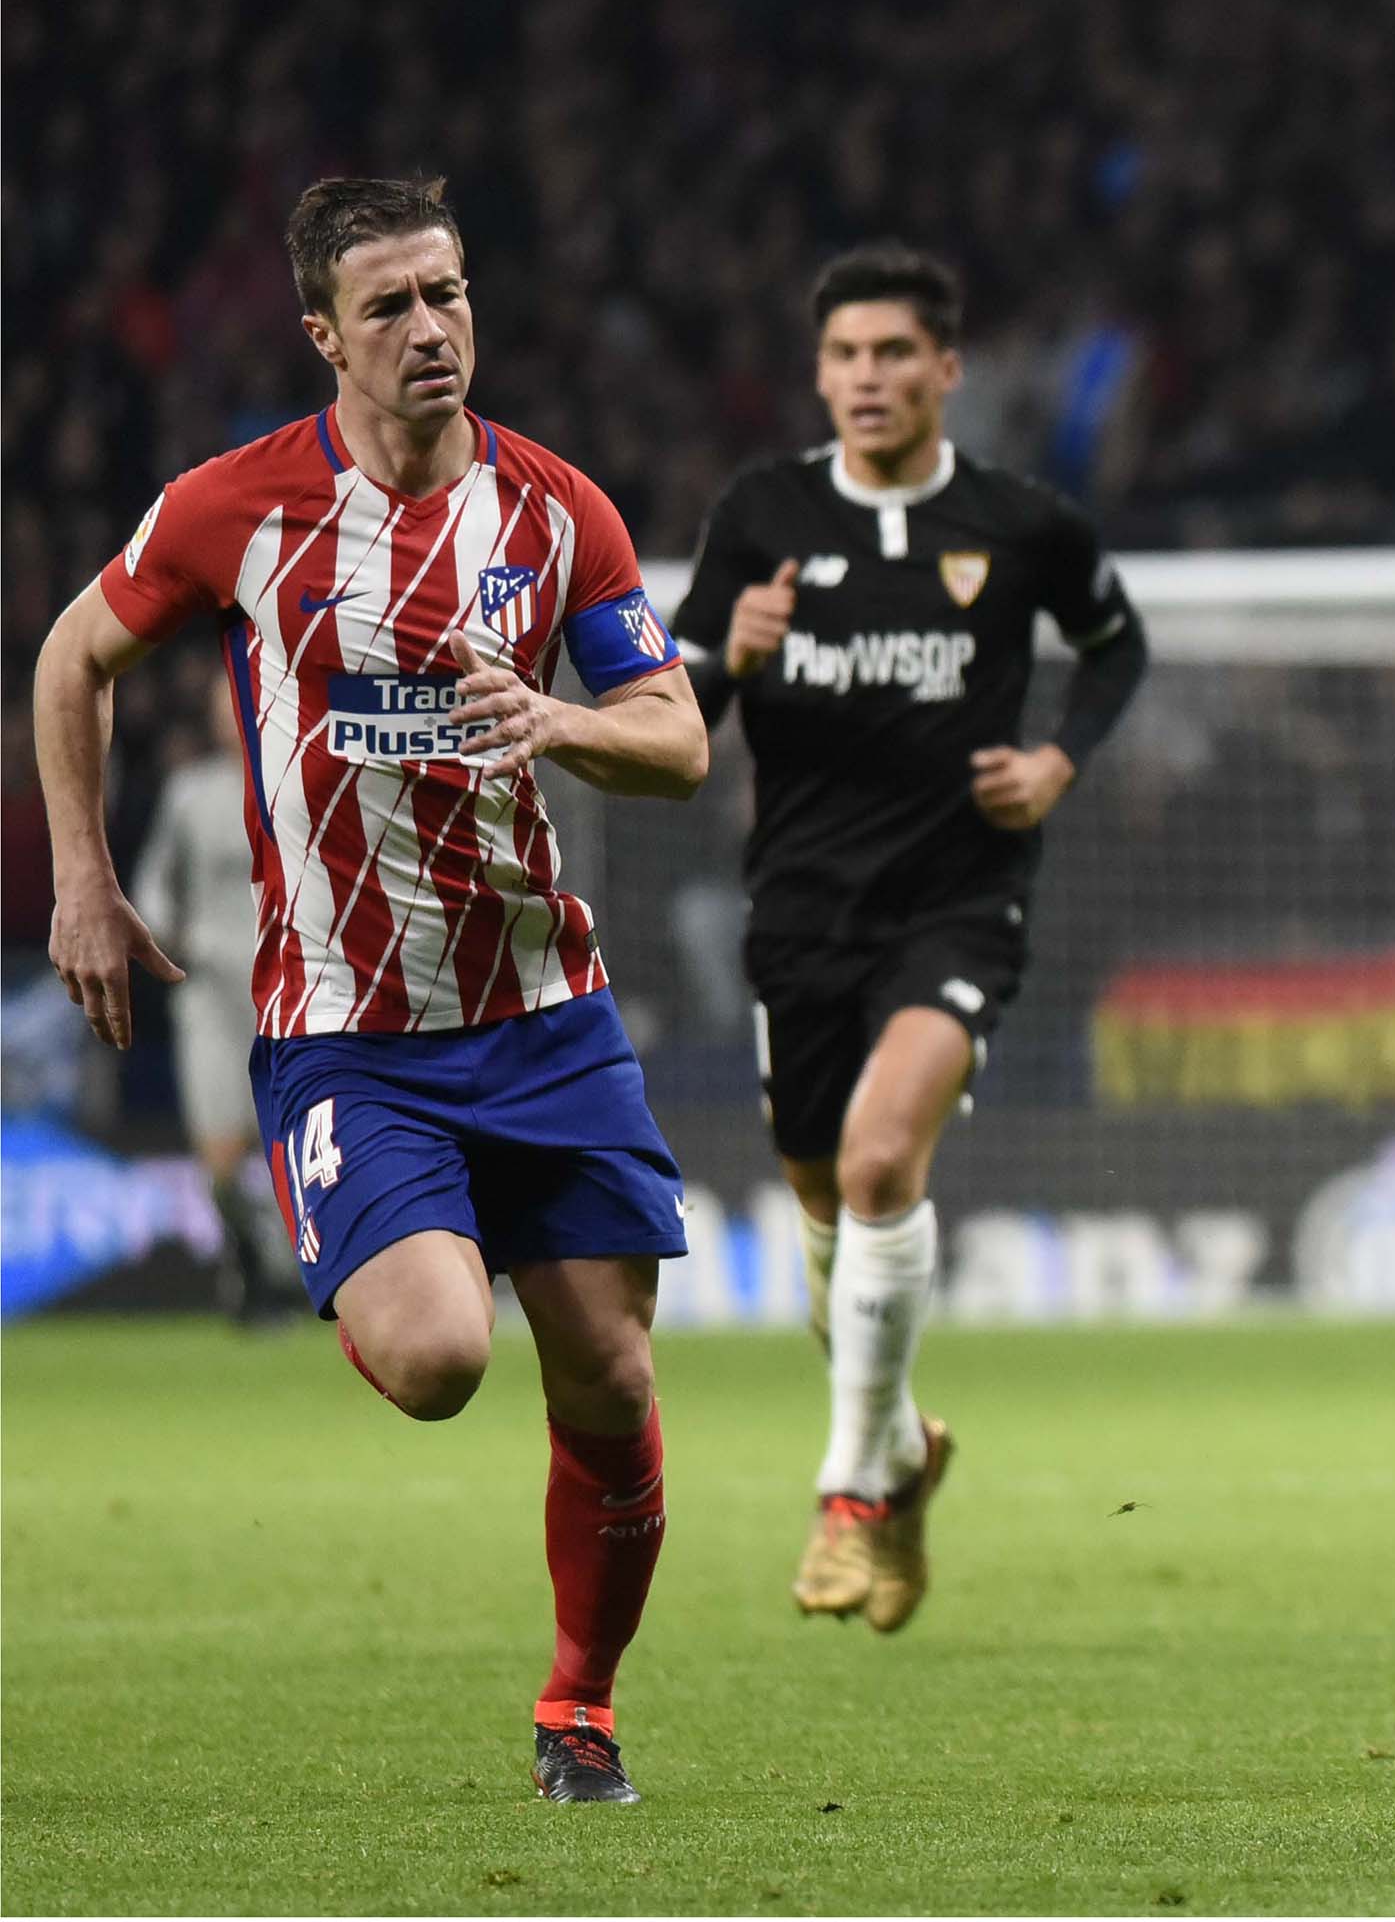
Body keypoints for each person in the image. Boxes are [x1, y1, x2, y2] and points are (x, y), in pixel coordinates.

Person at [33, 177, 709, 1804]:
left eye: (450, 293)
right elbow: (72, 655)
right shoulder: (239, 508)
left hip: (546, 1012)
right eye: (392, 304)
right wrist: (84, 877)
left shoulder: (556, 517)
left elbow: (679, 739)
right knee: (436, 1358)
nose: (432, 328)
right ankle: (373, 1242)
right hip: (350, 1030)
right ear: (324, 333)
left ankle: (580, 1707)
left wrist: (563, 720)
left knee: (610, 1378)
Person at [673, 244, 1147, 1631]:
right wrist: (730, 662)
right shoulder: (760, 516)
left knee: (884, 1164)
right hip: (804, 913)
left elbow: (1115, 649)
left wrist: (1059, 760)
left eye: (893, 354)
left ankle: (849, 1491)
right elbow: (676, 716)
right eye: (844, 357)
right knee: (828, 1211)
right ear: (816, 377)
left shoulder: (1021, 523)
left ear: (948, 369)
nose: (867, 379)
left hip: (961, 896)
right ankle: (899, 1452)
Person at [129, 696, 303, 1321]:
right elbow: (154, 881)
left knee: (288, 1139)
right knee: (219, 1144)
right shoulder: (190, 794)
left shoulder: (296, 778)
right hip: (208, 988)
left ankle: (290, 1273)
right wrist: (163, 932)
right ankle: (247, 1276)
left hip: (285, 985)